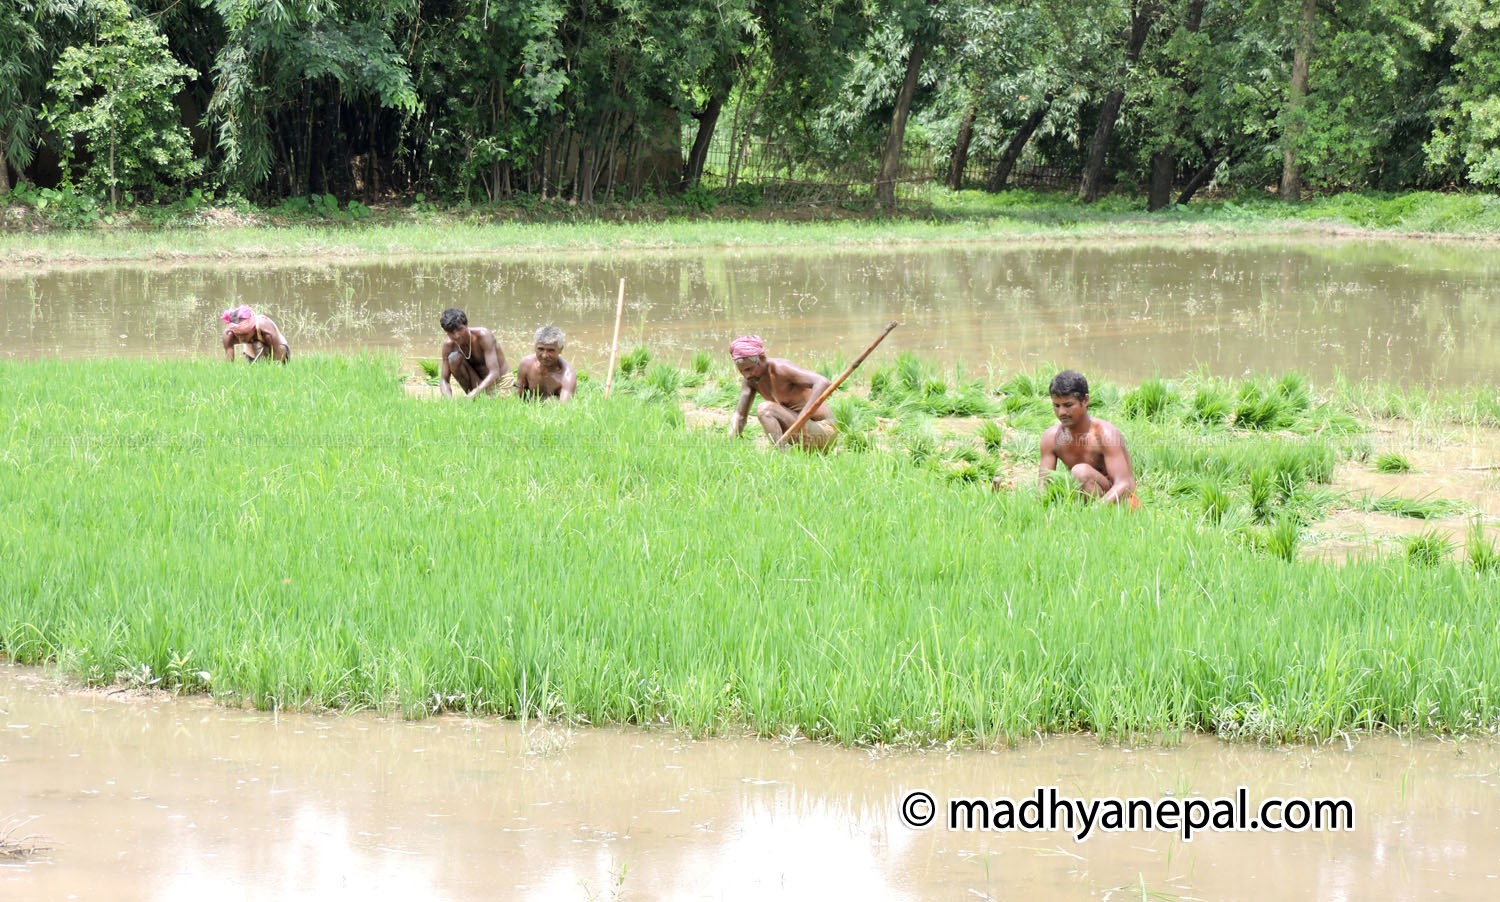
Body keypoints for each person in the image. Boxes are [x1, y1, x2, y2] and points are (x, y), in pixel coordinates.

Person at [1036, 369, 1138, 505]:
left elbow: (1125, 485)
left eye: (1068, 405)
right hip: (1084, 500)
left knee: (1080, 472)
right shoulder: (1051, 438)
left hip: (1122, 502)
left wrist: (1095, 511)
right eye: (1056, 406)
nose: (1061, 412)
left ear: (1085, 400)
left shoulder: (1106, 434)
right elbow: (1044, 485)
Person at [728, 334, 837, 450]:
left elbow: (823, 382)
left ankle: (781, 454)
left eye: (750, 369)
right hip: (798, 432)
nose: (747, 375)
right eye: (742, 371)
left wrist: (802, 419)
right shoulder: (750, 380)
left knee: (765, 409)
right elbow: (740, 415)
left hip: (823, 431)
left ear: (762, 358)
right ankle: (783, 453)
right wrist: (732, 442)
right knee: (766, 410)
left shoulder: (781, 369)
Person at [438, 308, 509, 398]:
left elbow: (494, 372)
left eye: (460, 329)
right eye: (451, 332)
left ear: (466, 325)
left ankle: (476, 397)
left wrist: (474, 394)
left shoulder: (483, 336)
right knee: (454, 359)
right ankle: (476, 397)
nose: (456, 336)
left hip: (499, 382)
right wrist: (448, 401)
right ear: (446, 332)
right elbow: (444, 380)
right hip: (477, 385)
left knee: (497, 401)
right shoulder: (448, 345)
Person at [515, 324, 577, 402]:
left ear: (560, 349)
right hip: (531, 401)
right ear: (535, 347)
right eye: (540, 349)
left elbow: (564, 408)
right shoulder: (526, 364)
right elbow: (518, 394)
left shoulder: (567, 374)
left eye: (550, 350)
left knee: (551, 401)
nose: (544, 355)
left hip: (552, 406)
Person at [220, 304, 290, 363]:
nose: (242, 338)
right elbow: (229, 361)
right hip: (252, 348)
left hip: (277, 346)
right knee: (255, 348)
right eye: (238, 335)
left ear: (253, 328)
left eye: (245, 335)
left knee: (259, 345)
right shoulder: (229, 334)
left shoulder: (265, 328)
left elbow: (279, 349)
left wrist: (276, 369)